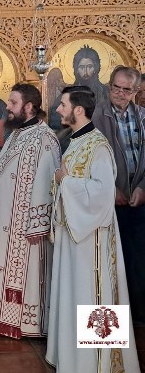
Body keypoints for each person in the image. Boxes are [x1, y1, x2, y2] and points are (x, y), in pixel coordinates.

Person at [46, 85, 139, 372]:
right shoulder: (76, 141)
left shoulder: (98, 146)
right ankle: (73, 360)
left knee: (93, 298)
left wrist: (65, 181)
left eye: (63, 105)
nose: (58, 109)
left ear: (78, 110)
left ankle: (98, 365)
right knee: (74, 296)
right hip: (73, 237)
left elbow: (102, 193)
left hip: (92, 242)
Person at [0, 83, 60, 339]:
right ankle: (5, 318)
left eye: (13, 102)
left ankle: (27, 324)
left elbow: (49, 183)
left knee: (29, 277)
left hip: (28, 228)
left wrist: (38, 225)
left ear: (29, 107)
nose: (8, 107)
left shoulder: (45, 138)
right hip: (8, 223)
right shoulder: (16, 134)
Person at [92, 66, 145, 326]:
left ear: (136, 91)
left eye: (126, 89)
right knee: (112, 262)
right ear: (109, 86)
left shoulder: (143, 116)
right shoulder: (96, 116)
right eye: (116, 87)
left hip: (140, 200)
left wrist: (143, 187)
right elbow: (89, 158)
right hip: (109, 202)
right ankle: (112, 322)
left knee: (139, 259)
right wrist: (111, 188)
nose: (120, 93)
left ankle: (138, 317)